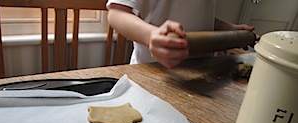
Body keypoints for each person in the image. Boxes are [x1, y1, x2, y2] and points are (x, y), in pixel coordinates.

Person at [107, 0, 256, 68]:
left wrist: (229, 29)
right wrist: (151, 35)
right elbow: (117, 13)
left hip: (200, 71)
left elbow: (199, 18)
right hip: (152, 71)